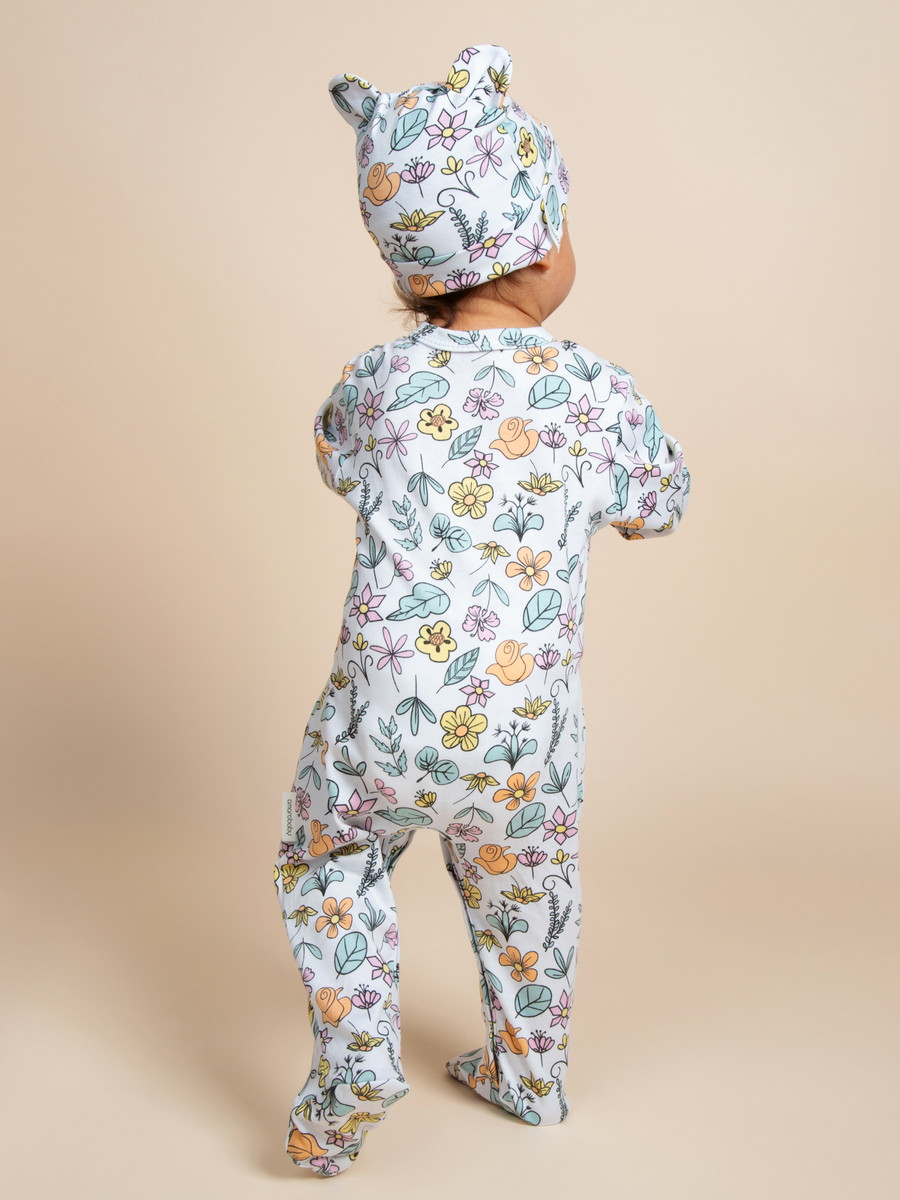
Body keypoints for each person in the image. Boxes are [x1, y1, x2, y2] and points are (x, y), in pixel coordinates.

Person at [272, 42, 691, 1176]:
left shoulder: (375, 384)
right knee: (528, 895)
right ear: (542, 241)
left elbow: (336, 461)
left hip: (381, 721)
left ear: (412, 268)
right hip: (524, 740)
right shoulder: (594, 392)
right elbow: (661, 502)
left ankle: (357, 1056)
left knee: (326, 862)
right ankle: (529, 1074)